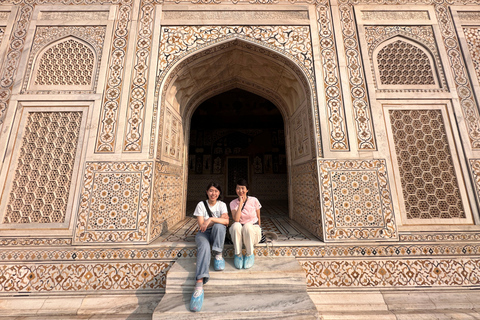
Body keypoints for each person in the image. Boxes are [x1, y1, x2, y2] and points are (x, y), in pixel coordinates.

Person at [190, 182, 229, 312]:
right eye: (211, 191)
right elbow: (202, 226)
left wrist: (211, 220)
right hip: (203, 234)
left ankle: (218, 254)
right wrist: (215, 219)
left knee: (220, 226)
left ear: (219, 193)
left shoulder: (222, 205)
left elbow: (226, 222)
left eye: (216, 191)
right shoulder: (201, 205)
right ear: (207, 192)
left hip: (215, 232)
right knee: (205, 248)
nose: (213, 193)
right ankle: (199, 286)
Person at [229, 178, 262, 269]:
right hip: (239, 233)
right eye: (238, 188)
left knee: (247, 226)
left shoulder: (254, 200)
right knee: (236, 225)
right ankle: (238, 254)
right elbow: (236, 219)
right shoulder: (233, 203)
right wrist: (240, 204)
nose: (240, 191)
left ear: (247, 190)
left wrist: (258, 229)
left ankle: (249, 254)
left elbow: (259, 217)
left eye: (243, 188)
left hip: (252, 231)